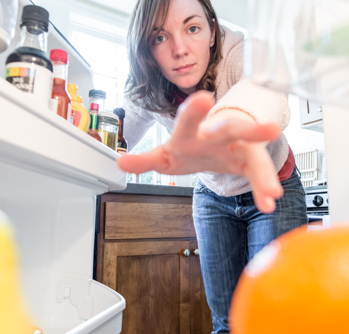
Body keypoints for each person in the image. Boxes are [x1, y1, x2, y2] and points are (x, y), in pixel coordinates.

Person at [117, 0, 308, 332]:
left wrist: (231, 125)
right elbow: (116, 139)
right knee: (227, 321)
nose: (179, 49)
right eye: (160, 37)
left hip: (273, 190)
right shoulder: (148, 90)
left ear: (211, 32)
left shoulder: (241, 53)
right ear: (146, 49)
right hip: (212, 198)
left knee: (273, 319)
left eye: (192, 28)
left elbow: (263, 89)